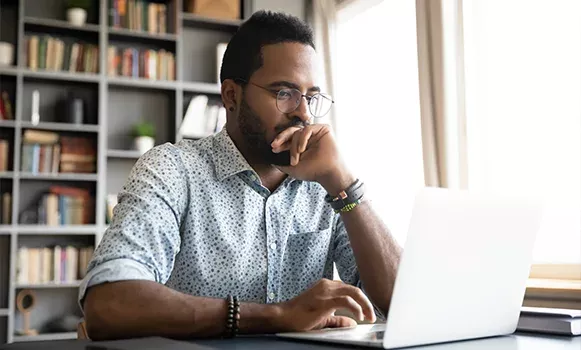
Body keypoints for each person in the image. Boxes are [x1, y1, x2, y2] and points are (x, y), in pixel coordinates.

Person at [80, 10, 401, 340]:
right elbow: (109, 303)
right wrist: (276, 316)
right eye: (284, 93)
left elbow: (402, 305)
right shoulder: (172, 170)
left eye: (310, 97)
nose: (304, 113)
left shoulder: (326, 185)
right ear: (232, 96)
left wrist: (344, 184)